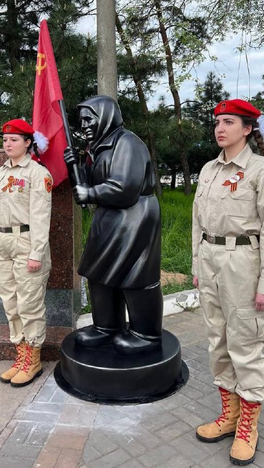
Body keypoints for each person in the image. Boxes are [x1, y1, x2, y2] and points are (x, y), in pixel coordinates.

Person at [192, 99, 264, 465]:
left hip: (244, 262)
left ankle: (249, 426)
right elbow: (198, 222)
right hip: (211, 259)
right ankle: (229, 415)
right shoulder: (208, 169)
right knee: (218, 341)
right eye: (218, 122)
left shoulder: (263, 171)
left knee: (245, 344)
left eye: (229, 122)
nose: (220, 128)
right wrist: (197, 264)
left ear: (248, 129)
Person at [64, 95, 163, 355]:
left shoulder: (127, 142)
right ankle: (106, 326)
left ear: (106, 116)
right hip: (108, 217)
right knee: (98, 271)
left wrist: (90, 193)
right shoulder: (96, 147)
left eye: (89, 119)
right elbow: (89, 184)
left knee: (135, 274)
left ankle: (146, 333)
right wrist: (76, 169)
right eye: (82, 121)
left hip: (135, 218)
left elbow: (125, 187)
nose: (84, 125)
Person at [0, 119, 52, 387]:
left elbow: (41, 216)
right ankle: (21, 356)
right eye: (5, 140)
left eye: (14, 140)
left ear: (28, 143)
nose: (8, 144)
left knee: (29, 304)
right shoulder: (0, 173)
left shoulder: (37, 174)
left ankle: (33, 361)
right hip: (1, 242)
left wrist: (37, 253)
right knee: (10, 303)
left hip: (25, 243)